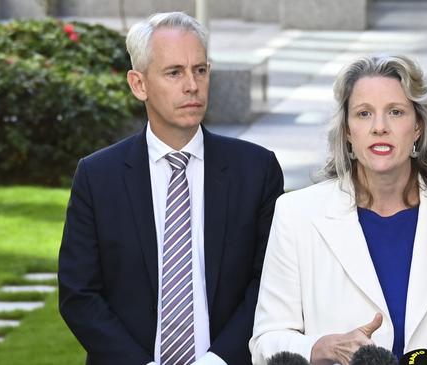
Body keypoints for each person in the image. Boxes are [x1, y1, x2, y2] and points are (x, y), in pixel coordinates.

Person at [249, 54, 427, 365]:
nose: (379, 127)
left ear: (418, 127)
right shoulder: (296, 213)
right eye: (363, 114)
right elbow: (266, 339)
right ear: (347, 131)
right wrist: (322, 348)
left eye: (396, 112)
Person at [58, 12, 283, 365]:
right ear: (138, 84)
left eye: (200, 70)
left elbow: (270, 283)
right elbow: (79, 293)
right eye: (175, 72)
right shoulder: (98, 176)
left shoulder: (256, 170)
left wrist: (218, 360)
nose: (192, 85)